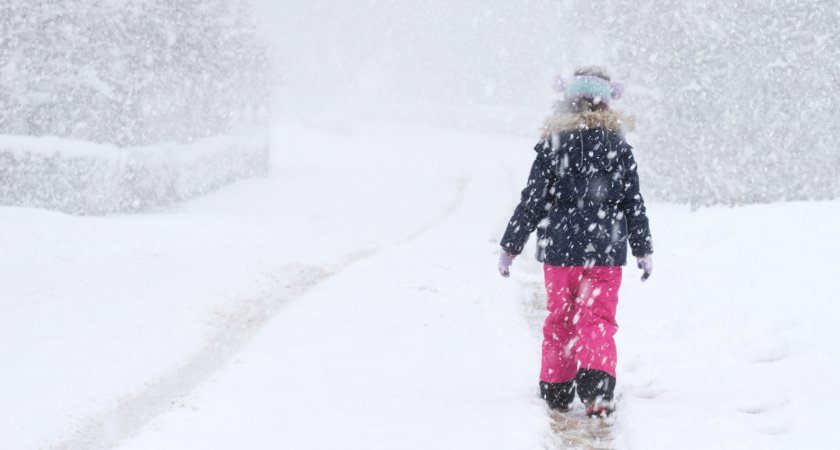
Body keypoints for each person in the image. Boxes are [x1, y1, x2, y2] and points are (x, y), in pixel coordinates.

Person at [497, 67, 653, 417]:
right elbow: (633, 202)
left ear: (566, 100)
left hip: (560, 251)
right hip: (605, 251)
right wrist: (643, 249)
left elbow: (533, 200)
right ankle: (598, 392)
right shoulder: (619, 148)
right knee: (597, 319)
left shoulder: (554, 145)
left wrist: (511, 245)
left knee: (560, 319)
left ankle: (556, 389)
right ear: (608, 104)